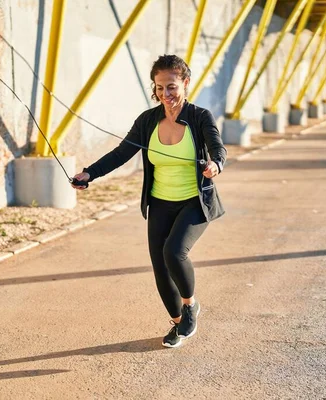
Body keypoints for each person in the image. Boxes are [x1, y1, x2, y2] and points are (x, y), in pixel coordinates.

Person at [71, 54, 227, 348]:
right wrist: (89, 173)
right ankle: (179, 324)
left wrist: (215, 164)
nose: (165, 94)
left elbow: (217, 147)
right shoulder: (147, 121)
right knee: (159, 265)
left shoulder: (199, 117)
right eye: (159, 88)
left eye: (171, 87)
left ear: (185, 83)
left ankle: (190, 305)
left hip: (194, 201)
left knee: (174, 252)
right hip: (159, 202)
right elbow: (121, 153)